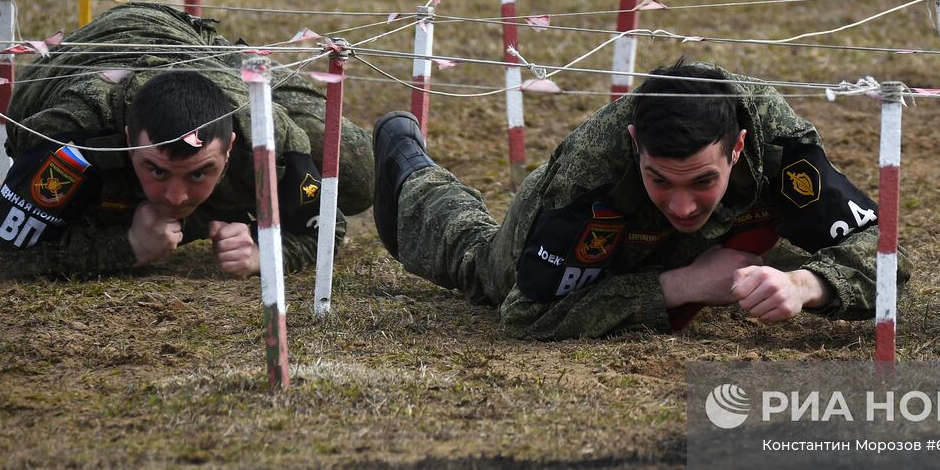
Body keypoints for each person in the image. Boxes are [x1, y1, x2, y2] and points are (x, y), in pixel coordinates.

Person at [371, 60, 909, 339]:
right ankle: (412, 172)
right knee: (480, 265)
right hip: (593, 237)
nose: (680, 206)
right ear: (635, 147)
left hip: (719, 240)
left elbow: (885, 255)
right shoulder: (590, 170)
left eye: (702, 181)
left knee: (800, 260)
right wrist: (684, 285)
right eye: (660, 180)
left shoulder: (774, 134)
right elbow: (527, 315)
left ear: (738, 147)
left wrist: (804, 285)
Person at [0, 3, 374, 278]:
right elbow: (2, 254)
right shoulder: (72, 139)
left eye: (197, 174)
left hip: (193, 47)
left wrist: (264, 252)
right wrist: (127, 246)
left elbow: (324, 227)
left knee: (357, 177)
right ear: (125, 141)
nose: (174, 196)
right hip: (89, 52)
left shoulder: (267, 135)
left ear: (231, 148)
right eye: (155, 170)